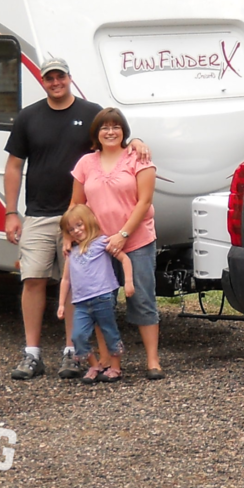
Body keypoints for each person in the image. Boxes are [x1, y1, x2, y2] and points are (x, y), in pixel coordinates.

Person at [3, 58, 150, 381]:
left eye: (60, 76)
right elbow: (14, 165)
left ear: (69, 77)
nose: (55, 82)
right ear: (42, 81)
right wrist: (11, 212)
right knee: (33, 279)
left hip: (82, 220)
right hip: (39, 214)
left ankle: (72, 352)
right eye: (49, 78)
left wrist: (137, 141)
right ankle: (32, 354)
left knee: (77, 286)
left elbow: (116, 139)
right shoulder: (29, 117)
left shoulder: (89, 113)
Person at [70, 107, 163, 380]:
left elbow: (144, 201)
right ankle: (109, 361)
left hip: (137, 240)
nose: (110, 132)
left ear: (124, 131)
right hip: (97, 246)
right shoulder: (86, 163)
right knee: (100, 303)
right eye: (104, 127)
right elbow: (77, 204)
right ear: (96, 134)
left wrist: (122, 234)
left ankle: (153, 361)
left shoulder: (138, 158)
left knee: (143, 300)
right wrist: (69, 237)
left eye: (115, 127)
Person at [57, 204, 133, 383]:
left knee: (109, 332)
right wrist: (61, 304)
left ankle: (115, 367)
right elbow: (66, 280)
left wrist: (128, 282)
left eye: (79, 225)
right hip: (81, 302)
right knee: (78, 336)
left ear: (89, 222)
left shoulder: (102, 243)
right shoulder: (71, 253)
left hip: (103, 297)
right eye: (71, 229)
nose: (76, 231)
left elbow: (124, 259)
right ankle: (94, 364)